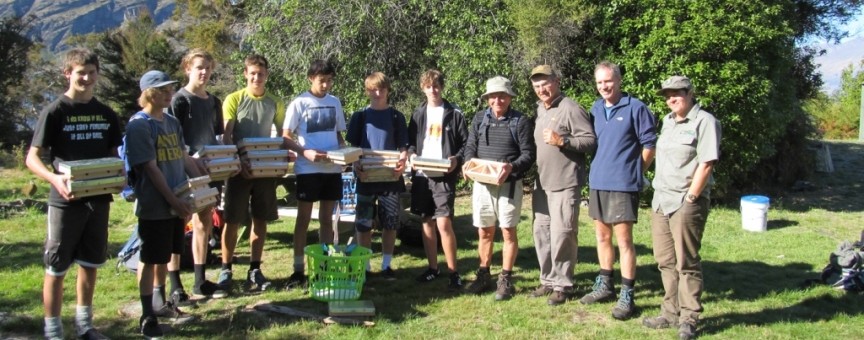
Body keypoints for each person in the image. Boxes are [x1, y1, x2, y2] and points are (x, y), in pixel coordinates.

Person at [26, 48, 122, 340]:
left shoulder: (106, 113)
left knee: (91, 263)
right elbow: (32, 158)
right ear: (67, 73)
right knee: (56, 266)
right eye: (81, 72)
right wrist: (54, 179)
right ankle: (53, 331)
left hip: (98, 200)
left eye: (92, 72)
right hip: (65, 202)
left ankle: (85, 326)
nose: (87, 78)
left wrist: (119, 177)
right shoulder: (55, 111)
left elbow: (113, 155)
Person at [125, 70, 207, 337]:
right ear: (149, 93)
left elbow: (183, 158)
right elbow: (151, 169)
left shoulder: (171, 122)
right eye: (163, 89)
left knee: (165, 257)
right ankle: (147, 315)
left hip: (178, 203)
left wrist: (205, 185)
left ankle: (161, 304)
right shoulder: (139, 125)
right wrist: (173, 201)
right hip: (155, 204)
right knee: (149, 259)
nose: (169, 93)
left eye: (170, 88)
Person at [642, 76, 720, 340]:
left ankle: (689, 318)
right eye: (667, 95)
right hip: (661, 200)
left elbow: (706, 162)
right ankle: (669, 312)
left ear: (689, 93)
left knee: (686, 262)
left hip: (685, 203)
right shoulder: (668, 121)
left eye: (676, 93)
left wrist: (692, 197)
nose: (671, 99)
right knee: (665, 260)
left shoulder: (705, 121)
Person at [580, 61, 657, 320]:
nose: (604, 86)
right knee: (602, 238)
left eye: (608, 81)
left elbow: (649, 145)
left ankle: (627, 294)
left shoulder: (636, 108)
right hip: (598, 182)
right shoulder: (595, 108)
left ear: (619, 80)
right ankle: (605, 285)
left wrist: (636, 172)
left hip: (623, 184)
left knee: (624, 241)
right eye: (600, 82)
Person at [528, 65, 596, 306]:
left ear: (556, 81)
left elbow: (589, 141)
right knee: (542, 234)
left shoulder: (570, 108)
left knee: (563, 235)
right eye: (536, 86)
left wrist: (563, 141)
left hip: (565, 183)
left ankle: (563, 285)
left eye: (545, 83)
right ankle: (547, 280)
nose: (541, 89)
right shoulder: (540, 109)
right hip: (542, 184)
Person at [461, 76, 535, 300]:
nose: (498, 100)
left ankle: (505, 279)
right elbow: (470, 146)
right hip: (482, 185)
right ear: (488, 99)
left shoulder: (520, 121)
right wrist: (467, 162)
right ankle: (483, 275)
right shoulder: (479, 119)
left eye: (502, 96)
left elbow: (529, 154)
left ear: (510, 97)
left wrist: (511, 167)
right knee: (484, 231)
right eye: (493, 96)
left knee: (508, 232)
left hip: (509, 185)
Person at [218, 54, 286, 293]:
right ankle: (226, 269)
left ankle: (255, 269)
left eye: (261, 73)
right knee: (232, 219)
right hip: (238, 170)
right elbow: (227, 136)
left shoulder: (275, 102)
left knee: (261, 218)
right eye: (253, 73)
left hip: (265, 171)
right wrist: (238, 162)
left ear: (267, 74)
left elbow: (280, 136)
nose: (257, 77)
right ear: (245, 74)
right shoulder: (233, 99)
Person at [167, 48, 226, 301]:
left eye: (208, 68)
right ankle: (175, 285)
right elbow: (170, 138)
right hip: (182, 171)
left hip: (210, 171)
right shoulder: (179, 100)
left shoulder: (214, 102)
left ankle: (200, 281)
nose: (204, 72)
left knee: (204, 221)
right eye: (199, 67)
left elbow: (218, 135)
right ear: (187, 68)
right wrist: (188, 161)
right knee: (177, 225)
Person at [282, 59, 347, 288]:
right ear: (311, 78)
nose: (326, 85)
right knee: (303, 219)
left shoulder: (335, 102)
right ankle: (298, 270)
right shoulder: (299, 102)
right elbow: (285, 136)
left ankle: (324, 265)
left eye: (329, 81)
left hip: (332, 168)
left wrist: (344, 154)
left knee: (327, 220)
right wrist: (305, 152)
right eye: (322, 81)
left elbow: (339, 135)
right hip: (308, 169)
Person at [345, 72, 409, 279]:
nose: (377, 93)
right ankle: (364, 266)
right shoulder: (360, 116)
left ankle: (386, 265)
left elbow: (403, 146)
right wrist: (356, 166)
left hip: (390, 179)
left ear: (388, 90)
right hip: (365, 179)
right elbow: (352, 148)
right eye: (373, 89)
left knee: (390, 222)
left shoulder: (397, 116)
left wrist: (402, 162)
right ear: (367, 91)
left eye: (381, 89)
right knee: (363, 224)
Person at [408, 69, 468, 290]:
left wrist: (456, 159)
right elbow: (411, 142)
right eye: (428, 86)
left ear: (442, 87)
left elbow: (465, 144)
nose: (432, 90)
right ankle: (433, 268)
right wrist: (411, 155)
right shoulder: (417, 114)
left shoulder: (454, 113)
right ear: (422, 88)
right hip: (422, 176)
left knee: (444, 223)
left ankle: (454, 272)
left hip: (444, 176)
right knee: (426, 223)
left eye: (436, 86)